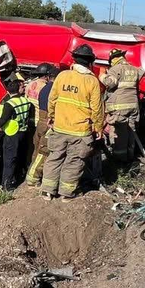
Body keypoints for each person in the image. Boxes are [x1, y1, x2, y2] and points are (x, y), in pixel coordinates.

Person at [42, 44, 105, 200]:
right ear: (91, 62)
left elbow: (52, 99)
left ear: (74, 59)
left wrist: (51, 116)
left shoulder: (62, 76)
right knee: (74, 161)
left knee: (55, 157)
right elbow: (97, 109)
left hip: (60, 126)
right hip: (80, 131)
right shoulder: (92, 81)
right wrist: (98, 128)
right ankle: (66, 194)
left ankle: (47, 191)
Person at [100, 48, 143, 160]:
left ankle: (120, 162)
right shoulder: (134, 69)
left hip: (119, 108)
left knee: (119, 134)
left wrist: (102, 75)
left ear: (113, 59)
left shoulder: (116, 69)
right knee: (131, 132)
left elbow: (109, 83)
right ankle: (130, 157)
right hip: (133, 106)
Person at [0, 78, 34, 191]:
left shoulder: (8, 103)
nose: (24, 88)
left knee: (9, 160)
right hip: (23, 132)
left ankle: (6, 185)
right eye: (22, 87)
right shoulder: (26, 101)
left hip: (12, 134)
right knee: (19, 157)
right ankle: (17, 178)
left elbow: (2, 119)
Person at [25, 64, 60, 186]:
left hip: (37, 121)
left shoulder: (32, 85)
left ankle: (30, 170)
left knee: (35, 149)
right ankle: (33, 178)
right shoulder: (51, 89)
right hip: (46, 122)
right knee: (44, 151)